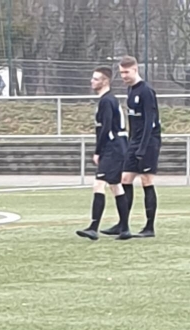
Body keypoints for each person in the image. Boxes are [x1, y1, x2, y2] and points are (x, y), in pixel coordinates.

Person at [102, 55, 161, 238]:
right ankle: (123, 224)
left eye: (126, 72)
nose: (124, 76)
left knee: (146, 180)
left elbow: (150, 121)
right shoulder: (130, 90)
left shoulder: (146, 91)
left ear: (135, 70)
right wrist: (130, 143)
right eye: (121, 73)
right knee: (125, 179)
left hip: (148, 142)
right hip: (134, 141)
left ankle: (149, 227)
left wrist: (143, 148)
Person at [76, 66, 131, 241]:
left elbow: (106, 127)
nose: (92, 81)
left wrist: (98, 151)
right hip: (118, 145)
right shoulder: (109, 100)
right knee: (115, 185)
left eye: (96, 79)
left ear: (105, 81)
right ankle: (125, 228)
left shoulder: (107, 101)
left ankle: (93, 227)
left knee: (99, 184)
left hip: (113, 147)